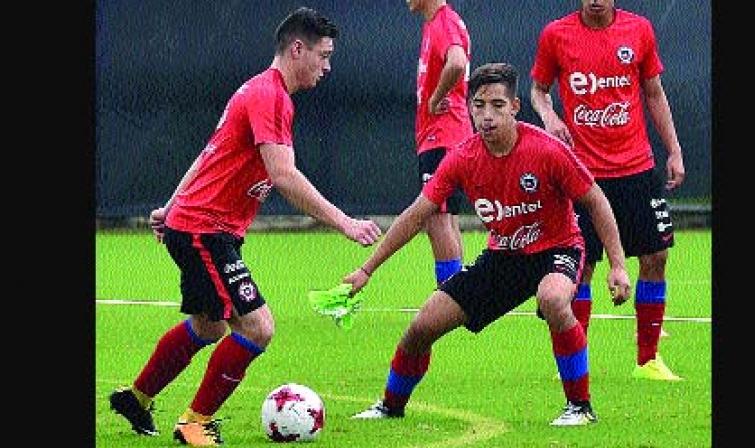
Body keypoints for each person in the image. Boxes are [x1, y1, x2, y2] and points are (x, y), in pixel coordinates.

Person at [108, 7, 382, 446]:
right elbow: (283, 174)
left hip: (199, 225)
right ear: (297, 49)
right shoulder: (270, 96)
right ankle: (194, 423)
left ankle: (136, 399)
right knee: (258, 327)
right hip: (205, 230)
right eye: (323, 55)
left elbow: (208, 155)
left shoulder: (260, 91)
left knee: (210, 325)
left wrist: (171, 205)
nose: (328, 67)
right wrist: (344, 222)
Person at [347, 62, 631, 426]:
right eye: (478, 105)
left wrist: (618, 265)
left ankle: (580, 407)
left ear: (514, 107)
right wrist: (366, 269)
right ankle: (390, 407)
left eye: (497, 105)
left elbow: (596, 201)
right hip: (503, 258)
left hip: (557, 250)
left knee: (553, 299)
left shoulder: (545, 150)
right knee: (421, 326)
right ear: (468, 108)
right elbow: (417, 214)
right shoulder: (463, 158)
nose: (487, 115)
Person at [529, 0, 686, 381]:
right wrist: (549, 117)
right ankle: (575, 360)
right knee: (580, 268)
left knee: (655, 258)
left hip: (636, 167)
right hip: (581, 174)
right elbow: (538, 90)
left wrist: (675, 150)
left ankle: (648, 360)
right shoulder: (556, 34)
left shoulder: (639, 30)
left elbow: (653, 93)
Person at [406, 0, 473, 287]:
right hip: (446, 135)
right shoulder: (437, 23)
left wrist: (435, 98)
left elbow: (456, 61)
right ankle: (457, 290)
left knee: (436, 215)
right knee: (446, 215)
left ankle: (450, 294)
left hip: (443, 134)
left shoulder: (443, 21)